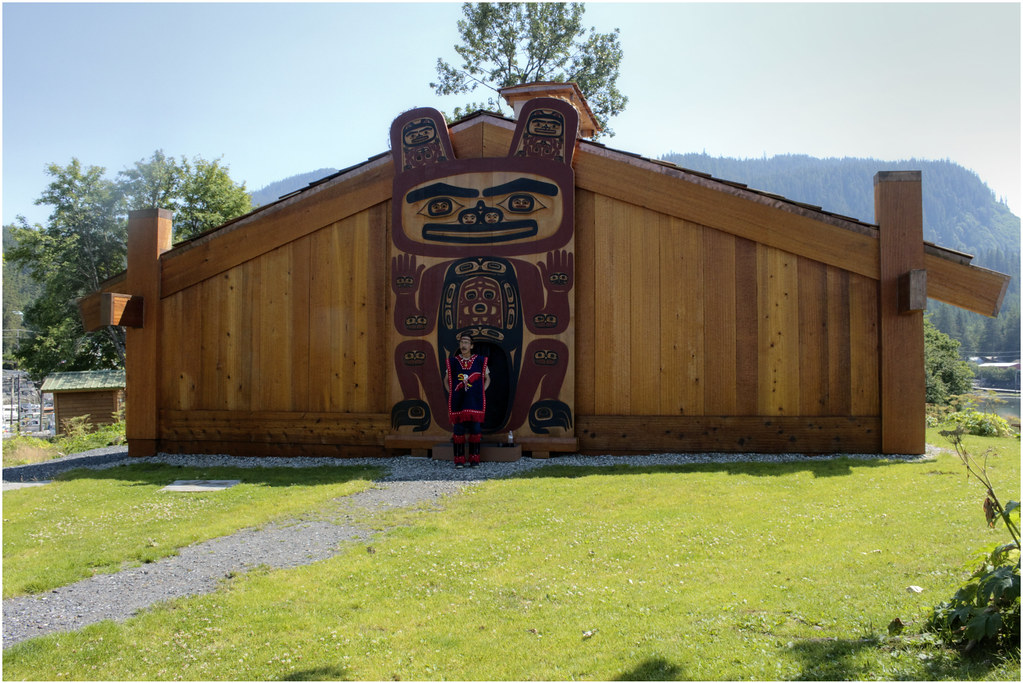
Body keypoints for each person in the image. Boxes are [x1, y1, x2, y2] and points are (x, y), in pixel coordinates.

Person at [444, 333, 490, 468]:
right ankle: (459, 460)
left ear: (471, 345)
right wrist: (452, 393)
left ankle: (474, 460)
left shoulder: (480, 361)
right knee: (458, 430)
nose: (463, 345)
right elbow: (446, 380)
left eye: (466, 342)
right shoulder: (453, 362)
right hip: (459, 402)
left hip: (474, 403)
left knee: (475, 429)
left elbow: (488, 379)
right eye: (461, 342)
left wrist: (481, 391)